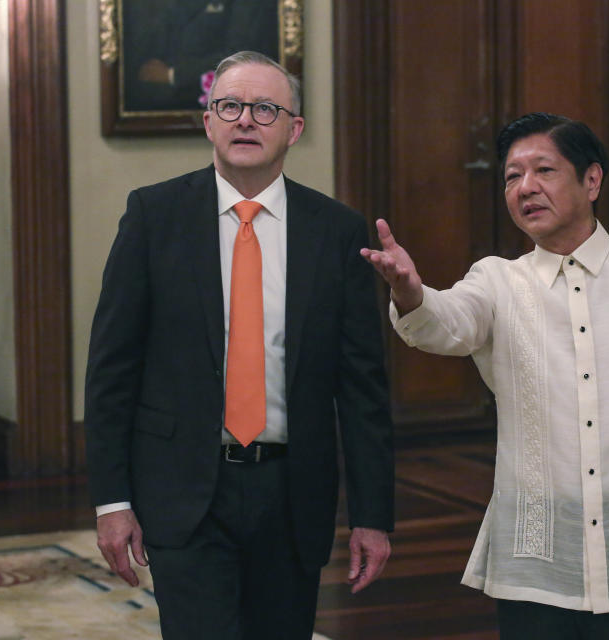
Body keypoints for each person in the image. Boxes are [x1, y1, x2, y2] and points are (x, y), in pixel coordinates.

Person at [361, 113, 609, 639]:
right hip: (536, 572)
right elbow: (443, 325)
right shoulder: (499, 281)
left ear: (591, 180)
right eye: (511, 176)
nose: (525, 188)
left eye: (543, 170)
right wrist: (410, 291)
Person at [85, 51, 394, 640]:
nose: (245, 120)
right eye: (229, 106)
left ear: (294, 129)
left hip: (292, 492)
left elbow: (362, 388)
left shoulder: (337, 232)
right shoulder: (154, 216)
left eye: (265, 109)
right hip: (183, 487)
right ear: (209, 121)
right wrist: (111, 502)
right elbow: (111, 371)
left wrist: (373, 517)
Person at [125, 0, 280, 111]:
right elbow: (153, 43)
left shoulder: (248, 4)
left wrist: (173, 75)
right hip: (164, 100)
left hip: (218, 103)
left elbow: (240, 55)